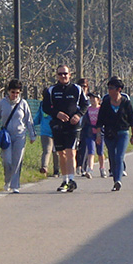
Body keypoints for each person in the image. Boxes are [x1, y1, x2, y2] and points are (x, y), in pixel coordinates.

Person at [41, 64, 88, 193]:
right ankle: (65, 180)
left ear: (70, 75)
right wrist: (57, 114)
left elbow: (85, 104)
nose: (63, 76)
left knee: (70, 152)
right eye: (60, 74)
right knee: (61, 153)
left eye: (65, 73)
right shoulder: (51, 90)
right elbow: (45, 107)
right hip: (58, 125)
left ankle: (71, 180)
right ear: (57, 76)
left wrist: (78, 115)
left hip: (73, 126)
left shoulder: (77, 89)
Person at [0, 79, 34, 193]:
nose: (15, 95)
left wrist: (32, 135)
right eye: (13, 92)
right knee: (7, 160)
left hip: (20, 135)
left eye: (17, 93)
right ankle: (7, 181)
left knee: (17, 161)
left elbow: (28, 120)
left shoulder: (23, 104)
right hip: (6, 136)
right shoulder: (2, 103)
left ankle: (15, 185)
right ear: (8, 91)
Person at [97, 76, 133, 191]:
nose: (109, 90)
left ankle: (118, 180)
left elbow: (132, 120)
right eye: (108, 88)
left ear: (119, 89)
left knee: (119, 156)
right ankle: (115, 180)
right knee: (112, 156)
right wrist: (98, 135)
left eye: (112, 88)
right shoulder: (105, 103)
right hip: (109, 134)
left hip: (123, 133)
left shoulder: (126, 103)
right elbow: (100, 120)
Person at [80, 90, 106, 178]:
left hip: (100, 132)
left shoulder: (102, 109)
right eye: (90, 98)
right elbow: (84, 122)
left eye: (94, 98)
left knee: (100, 152)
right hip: (90, 133)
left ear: (98, 99)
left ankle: (102, 168)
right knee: (91, 151)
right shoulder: (87, 110)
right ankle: (89, 169)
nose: (92, 100)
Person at [35, 98, 54, 176]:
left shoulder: (43, 105)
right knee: (49, 150)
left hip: (54, 131)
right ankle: (45, 168)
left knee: (50, 151)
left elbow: (38, 117)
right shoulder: (43, 104)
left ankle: (53, 169)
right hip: (47, 131)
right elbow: (38, 116)